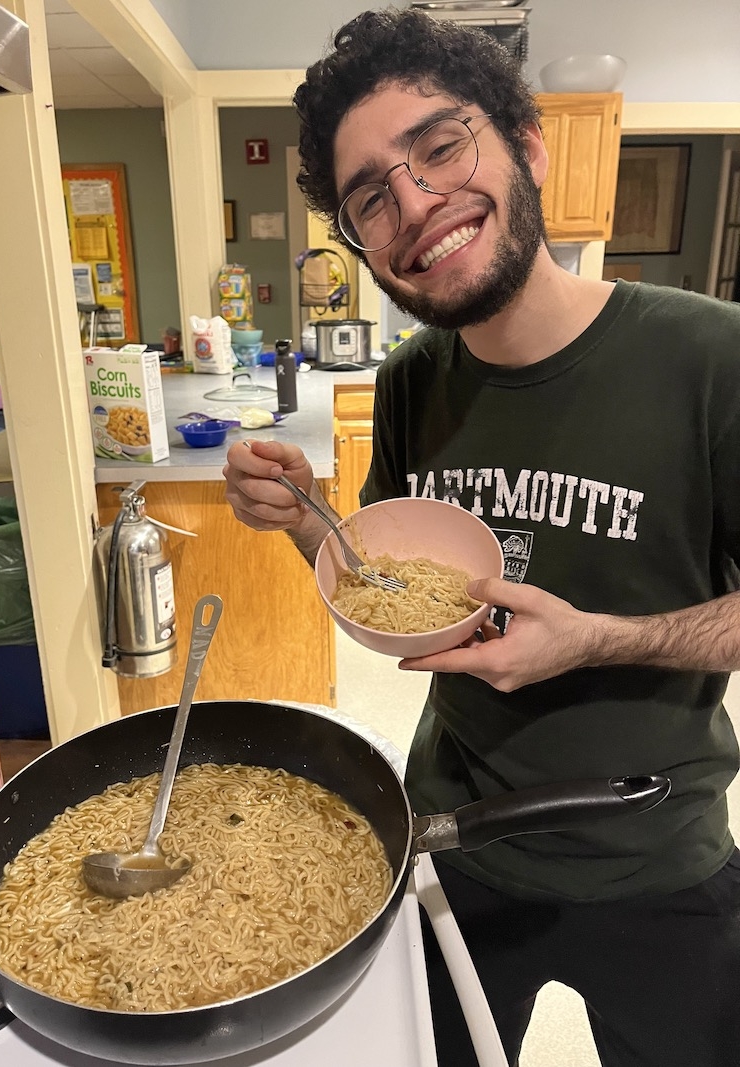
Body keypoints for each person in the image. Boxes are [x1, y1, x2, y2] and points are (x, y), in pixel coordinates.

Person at [223, 9, 740, 1065]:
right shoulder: (411, 379)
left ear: (526, 144)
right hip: (452, 845)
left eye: (439, 145)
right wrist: (299, 521)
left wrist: (595, 637)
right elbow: (386, 590)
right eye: (369, 194)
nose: (413, 202)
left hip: (656, 855)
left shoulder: (708, 359)